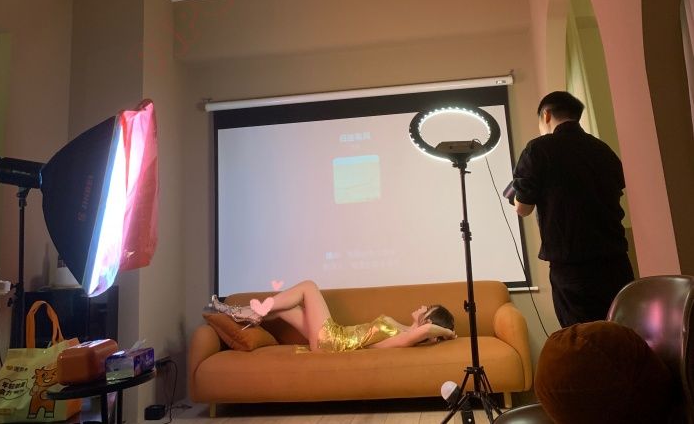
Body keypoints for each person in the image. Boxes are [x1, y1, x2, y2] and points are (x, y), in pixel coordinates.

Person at [508, 91, 634, 328]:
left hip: (573, 268)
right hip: (616, 262)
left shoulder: (538, 149)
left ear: (546, 115)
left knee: (581, 337)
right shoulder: (602, 150)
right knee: (621, 333)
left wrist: (516, 195)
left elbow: (523, 208)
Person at [210, 279, 456, 352]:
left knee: (308, 286)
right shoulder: (404, 331)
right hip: (333, 340)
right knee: (287, 308)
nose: (422, 305)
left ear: (428, 321)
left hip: (334, 342)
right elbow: (426, 330)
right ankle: (247, 314)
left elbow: (427, 331)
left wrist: (447, 332)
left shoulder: (408, 337)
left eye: (427, 308)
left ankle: (251, 312)